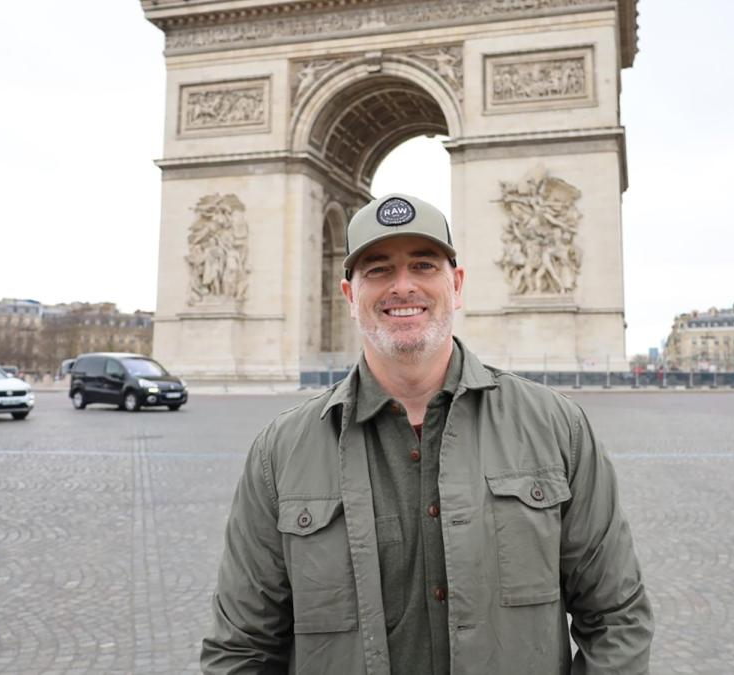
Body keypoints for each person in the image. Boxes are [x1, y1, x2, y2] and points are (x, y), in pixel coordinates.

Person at [201, 193, 653, 674]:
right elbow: (241, 649)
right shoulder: (279, 453)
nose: (403, 286)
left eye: (423, 264)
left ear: (456, 285)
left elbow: (617, 618)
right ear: (350, 296)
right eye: (377, 269)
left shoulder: (559, 429)